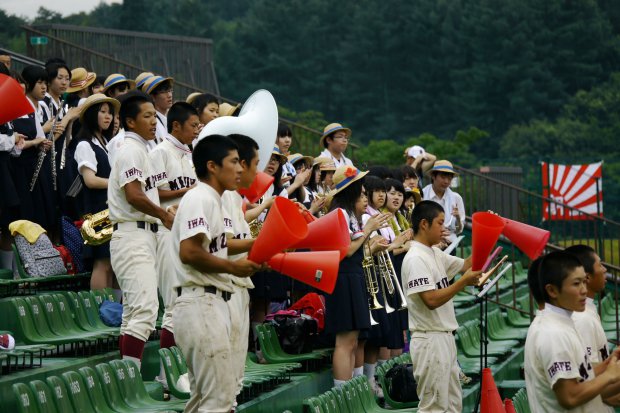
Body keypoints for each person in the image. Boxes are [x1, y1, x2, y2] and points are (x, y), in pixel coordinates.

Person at [170, 134, 261, 412]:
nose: (239, 168)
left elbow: (213, 249)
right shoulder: (200, 197)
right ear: (212, 166)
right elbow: (190, 252)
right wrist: (234, 267)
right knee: (217, 400)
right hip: (200, 302)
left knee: (204, 400)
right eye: (233, 161)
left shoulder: (215, 200)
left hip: (210, 302)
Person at [108, 90, 174, 368]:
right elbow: (134, 195)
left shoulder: (142, 149)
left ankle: (127, 378)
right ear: (129, 121)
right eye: (146, 116)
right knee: (146, 310)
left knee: (135, 313)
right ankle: (130, 380)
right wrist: (163, 214)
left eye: (153, 116)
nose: (153, 121)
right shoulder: (132, 149)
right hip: (132, 233)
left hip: (143, 233)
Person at [402, 200, 480, 412]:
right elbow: (431, 300)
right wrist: (463, 282)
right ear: (424, 224)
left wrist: (486, 235)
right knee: (434, 407)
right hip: (429, 339)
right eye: (440, 223)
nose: (444, 228)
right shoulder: (416, 258)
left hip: (444, 337)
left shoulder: (434, 252)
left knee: (453, 405)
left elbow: (466, 265)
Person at [524, 251, 620, 412]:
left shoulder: (561, 322)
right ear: (552, 291)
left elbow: (580, 376)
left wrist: (607, 364)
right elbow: (569, 396)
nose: (584, 290)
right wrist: (609, 375)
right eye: (576, 284)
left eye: (584, 281)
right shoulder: (553, 332)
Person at [325, 165, 389, 387]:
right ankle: (341, 392)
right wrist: (369, 229)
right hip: (343, 279)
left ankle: (351, 389)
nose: (365, 197)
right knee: (344, 341)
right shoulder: (340, 213)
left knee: (353, 341)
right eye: (361, 192)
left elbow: (356, 250)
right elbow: (346, 251)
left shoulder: (352, 216)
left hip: (354, 276)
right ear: (350, 191)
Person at [149, 102, 199, 376]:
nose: (196, 130)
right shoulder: (160, 151)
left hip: (187, 233)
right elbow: (154, 193)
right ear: (176, 126)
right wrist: (191, 189)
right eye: (193, 125)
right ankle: (166, 376)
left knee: (184, 305)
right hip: (167, 232)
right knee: (172, 306)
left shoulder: (189, 153)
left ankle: (179, 372)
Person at [222, 133, 260, 409]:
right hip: (225, 286)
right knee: (224, 372)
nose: (257, 171)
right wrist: (261, 243)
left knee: (235, 368)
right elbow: (223, 243)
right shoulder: (220, 197)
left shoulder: (234, 197)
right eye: (254, 164)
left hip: (239, 285)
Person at [73, 94, 120, 292]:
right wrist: (118, 184)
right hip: (96, 211)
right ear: (92, 115)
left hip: (111, 208)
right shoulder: (84, 144)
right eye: (102, 112)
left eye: (110, 113)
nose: (108, 117)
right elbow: (90, 181)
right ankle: (101, 309)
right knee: (103, 263)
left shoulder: (106, 143)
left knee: (115, 263)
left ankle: (115, 311)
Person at [11, 65, 57, 237]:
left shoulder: (28, 109)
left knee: (41, 213)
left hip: (35, 167)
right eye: (39, 82)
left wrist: (43, 143)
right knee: (24, 214)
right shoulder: (8, 112)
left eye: (45, 82)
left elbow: (39, 136)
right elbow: (14, 147)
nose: (44, 87)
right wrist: (36, 141)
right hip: (19, 168)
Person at [566, 245, 611, 365]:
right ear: (587, 277)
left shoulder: (587, 309)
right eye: (600, 265)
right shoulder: (582, 319)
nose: (604, 269)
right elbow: (590, 376)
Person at [422, 160, 464, 246]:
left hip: (450, 244)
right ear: (433, 176)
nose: (446, 181)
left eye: (449, 178)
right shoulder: (422, 195)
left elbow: (459, 230)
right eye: (443, 177)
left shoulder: (456, 198)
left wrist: (458, 218)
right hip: (428, 245)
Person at [142, 75, 174, 144]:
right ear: (152, 97)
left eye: (170, 91)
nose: (169, 95)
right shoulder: (153, 123)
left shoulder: (165, 119)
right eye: (164, 92)